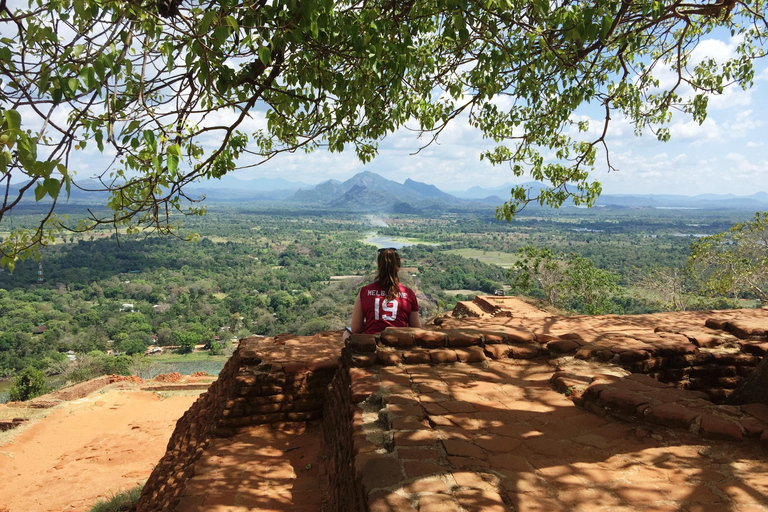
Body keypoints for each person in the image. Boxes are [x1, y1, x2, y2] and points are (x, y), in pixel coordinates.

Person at [343, 247, 420, 339]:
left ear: (379, 266)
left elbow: (356, 329)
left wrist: (370, 323)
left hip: (372, 343)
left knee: (346, 334)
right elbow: (416, 329)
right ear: (398, 266)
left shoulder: (365, 291)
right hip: (399, 341)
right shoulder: (408, 293)